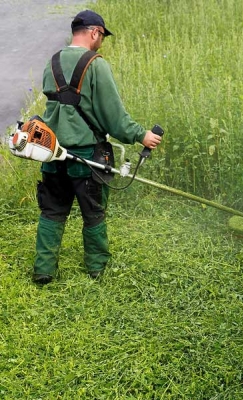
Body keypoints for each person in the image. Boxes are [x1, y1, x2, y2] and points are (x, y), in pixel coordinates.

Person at [32, 10, 162, 284]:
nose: (101, 42)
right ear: (94, 32)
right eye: (101, 36)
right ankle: (96, 268)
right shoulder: (96, 64)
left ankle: (44, 269)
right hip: (87, 159)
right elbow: (114, 117)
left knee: (52, 211)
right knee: (93, 213)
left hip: (51, 153)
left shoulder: (52, 62)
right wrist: (142, 135)